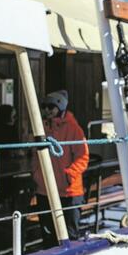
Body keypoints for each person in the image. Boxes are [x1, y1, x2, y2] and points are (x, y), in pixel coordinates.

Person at [33, 90, 89, 245]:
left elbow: (82, 157)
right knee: (48, 236)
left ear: (60, 108)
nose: (47, 111)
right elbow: (35, 155)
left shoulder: (74, 129)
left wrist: (69, 175)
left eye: (51, 107)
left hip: (68, 192)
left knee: (69, 234)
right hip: (45, 190)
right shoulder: (41, 128)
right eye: (44, 107)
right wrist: (37, 175)